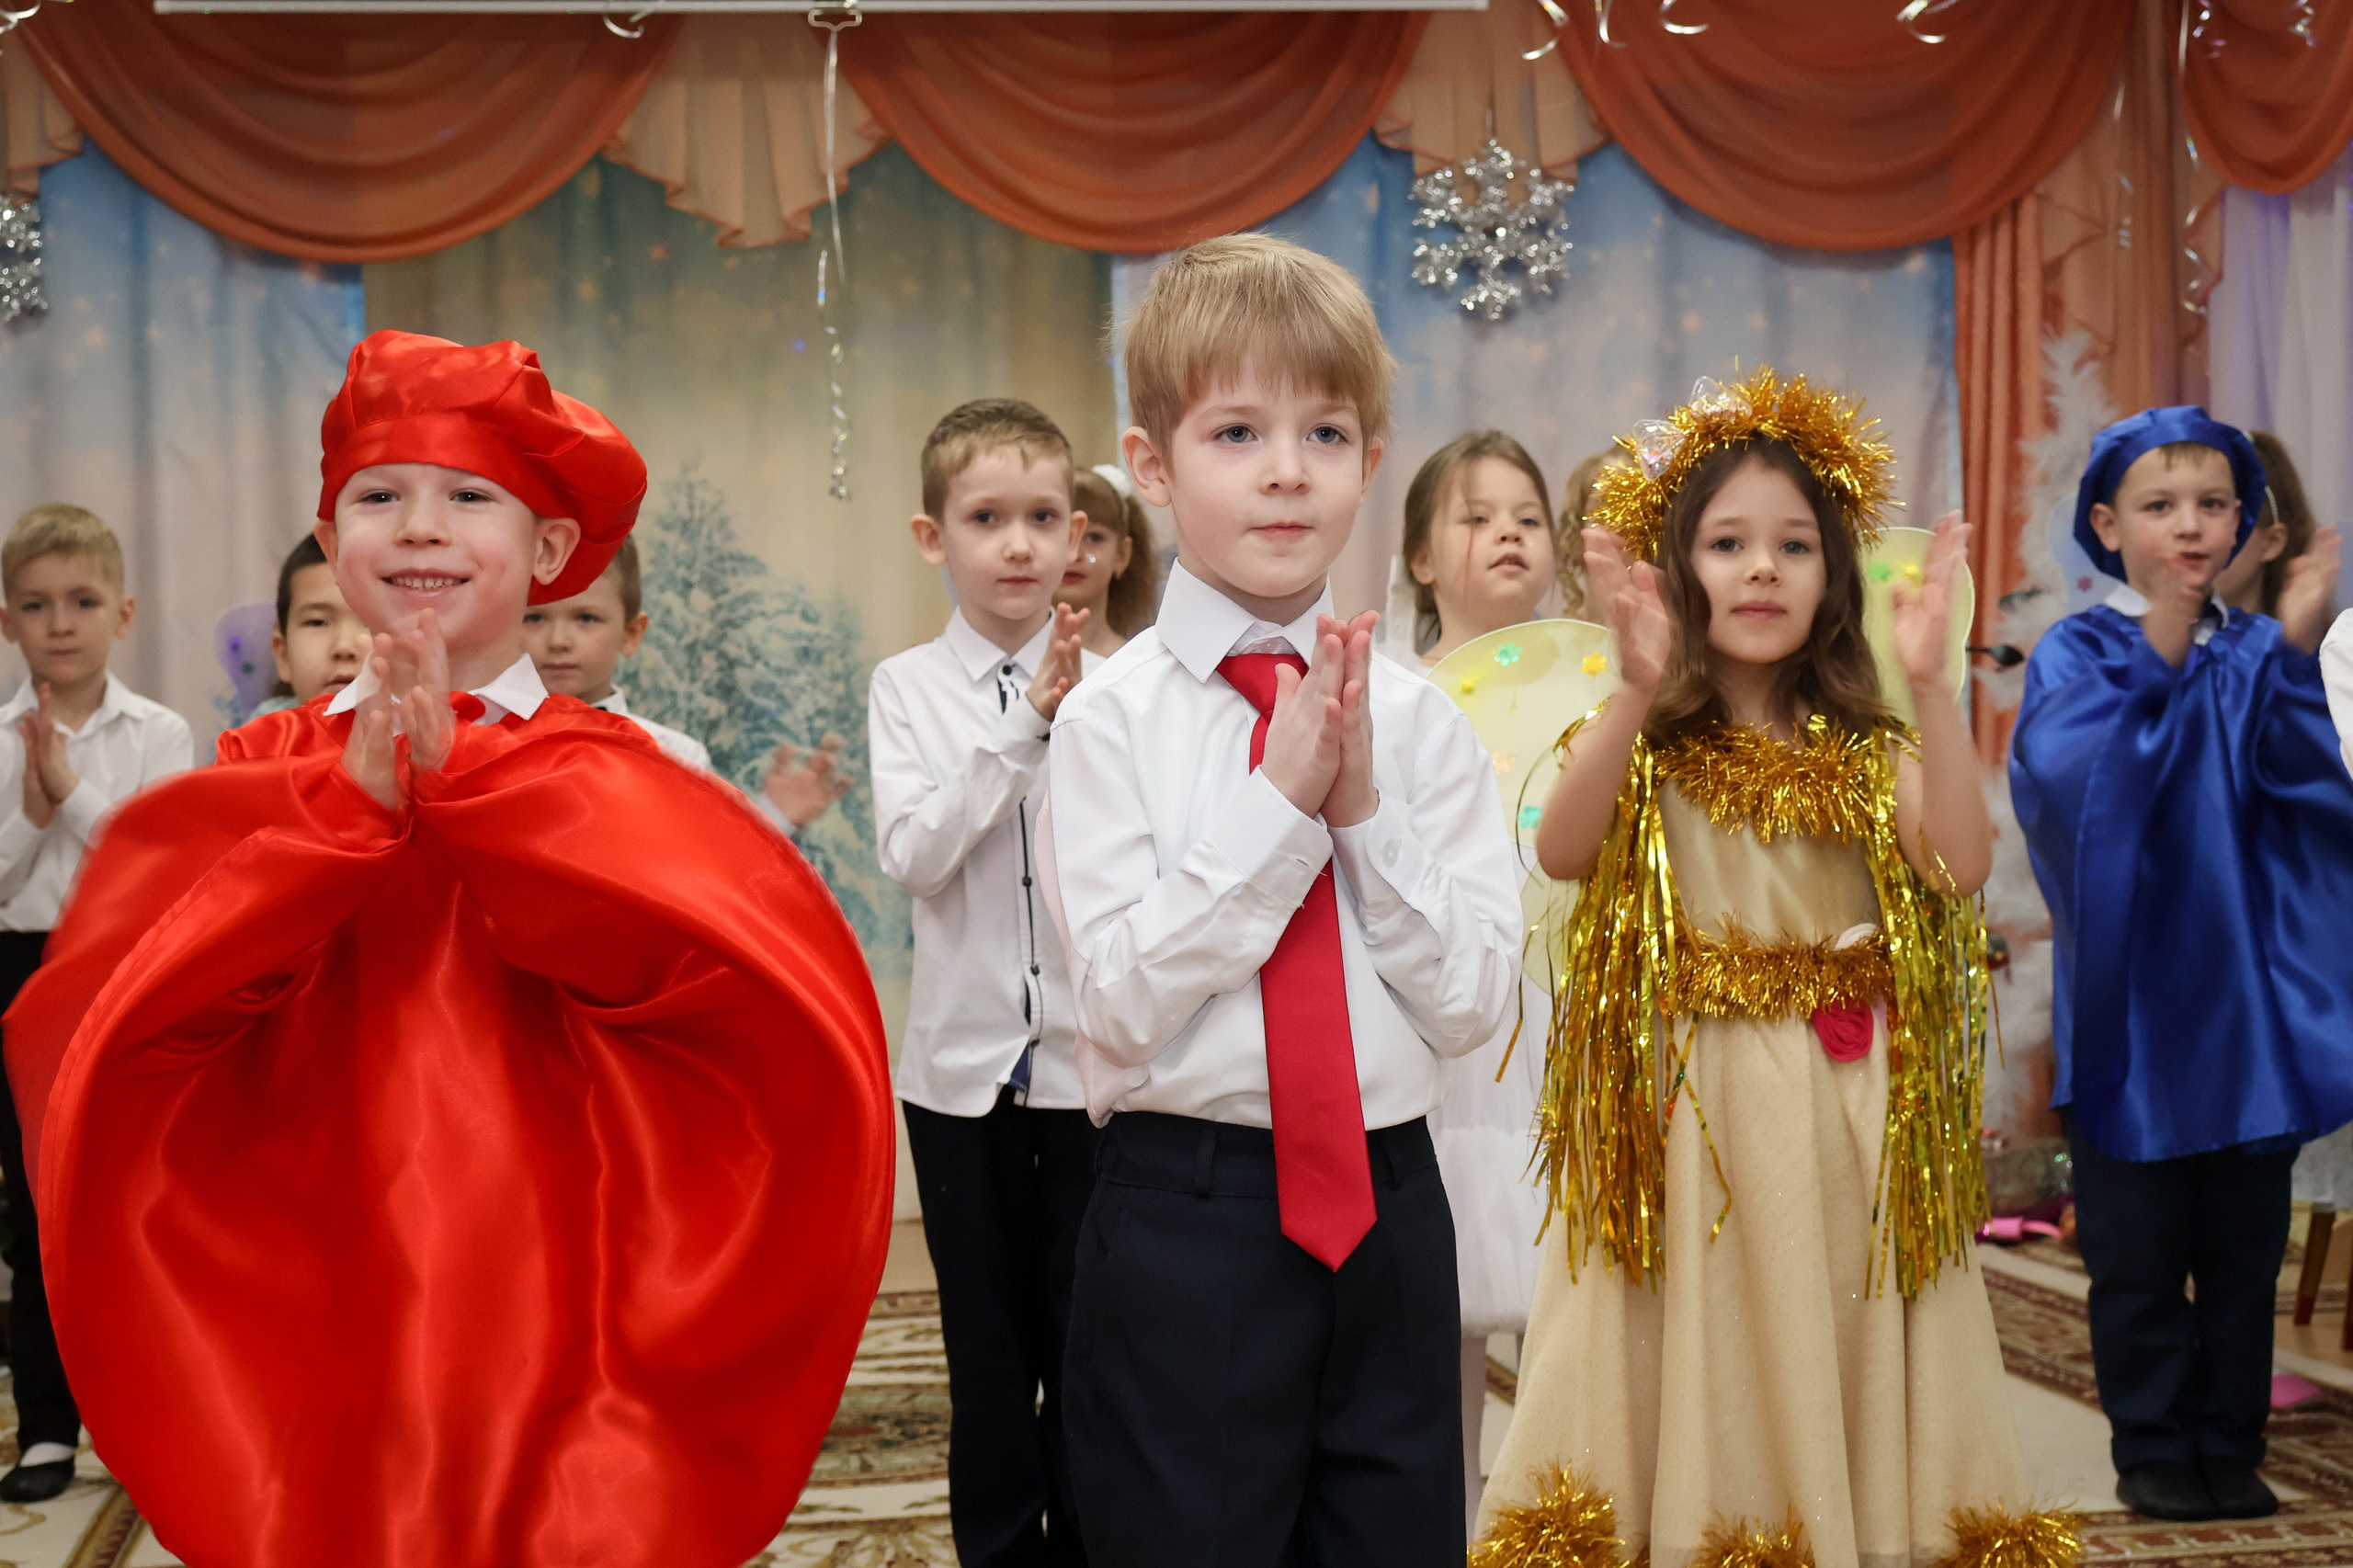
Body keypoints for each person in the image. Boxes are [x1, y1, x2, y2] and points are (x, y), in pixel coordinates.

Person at [1, 331, 893, 1568]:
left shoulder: (620, 772)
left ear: (546, 551)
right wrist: (335, 827)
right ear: (331, 537)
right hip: (323, 1243)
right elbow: (146, 1014)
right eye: (380, 496)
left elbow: (705, 993)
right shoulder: (266, 767)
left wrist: (494, 814)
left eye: (467, 495)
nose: (419, 526)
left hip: (561, 1254)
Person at [1483, 369, 2067, 1568]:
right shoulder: (1651, 734)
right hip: (1691, 1116)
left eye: (1794, 545)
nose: (1761, 569)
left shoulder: (1868, 746)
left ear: (1834, 576)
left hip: (1843, 1115)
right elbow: (1562, 846)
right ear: (1676, 572)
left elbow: (1958, 862)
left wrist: (1942, 693)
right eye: (1728, 541)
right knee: (1708, 1341)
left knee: (1831, 1322)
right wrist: (1637, 688)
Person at [1040, 233, 1526, 1566]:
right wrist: (1279, 802)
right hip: (1191, 1218)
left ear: (1371, 462)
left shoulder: (1426, 726)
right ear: (1151, 466)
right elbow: (1122, 1002)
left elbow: (1477, 1001)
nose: (1283, 470)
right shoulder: (1107, 725)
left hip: (1391, 1206)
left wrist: (1359, 814)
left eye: (1323, 432)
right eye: (1236, 429)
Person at [2010, 407, 2353, 1525]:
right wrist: (2160, 649)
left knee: (2243, 1256)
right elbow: (2078, 793)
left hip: (2243, 1016)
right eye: (2161, 506)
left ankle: (2227, 1438)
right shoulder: (2080, 649)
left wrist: (2294, 651)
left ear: (2248, 524)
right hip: (2132, 1020)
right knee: (2138, 1254)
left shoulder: (2255, 653)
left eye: (2213, 505)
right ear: (2107, 525)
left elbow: (2305, 797)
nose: (2190, 527)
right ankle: (2153, 1443)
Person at [868, 397, 1098, 1568]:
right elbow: (914, 852)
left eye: (1042, 516)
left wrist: (1068, 709)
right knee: (992, 1355)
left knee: (1091, 1349)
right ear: (933, 537)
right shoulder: (907, 690)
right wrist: (1023, 729)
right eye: (986, 517)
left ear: (1078, 536)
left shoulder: (1122, 688)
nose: (1017, 543)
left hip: (1092, 1076)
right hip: (959, 1079)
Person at [0, 504, 192, 1503]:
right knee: (34, 1211)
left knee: (127, 1205)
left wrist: (68, 790)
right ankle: (44, 1429)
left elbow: (160, 866)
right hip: (20, 969)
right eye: (35, 604)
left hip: (124, 969)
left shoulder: (161, 731)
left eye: (81, 601)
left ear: (122, 611)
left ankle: (147, 1419)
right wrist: (30, 813)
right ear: (7, 621)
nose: (60, 622)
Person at [1398, 429, 1558, 1526]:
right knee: (1425, 1339)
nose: (1506, 532)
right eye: (1474, 515)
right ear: (1417, 556)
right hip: (1439, 1052)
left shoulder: (1603, 706)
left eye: (1526, 516)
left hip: (1566, 1041)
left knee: (1571, 1330)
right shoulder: (1393, 707)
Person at [521, 538, 850, 835]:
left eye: (586, 618)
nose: (558, 641)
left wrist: (777, 815)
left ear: (631, 634)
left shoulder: (675, 756)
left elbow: (715, 866)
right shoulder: (482, 742)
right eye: (533, 618)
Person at [250, 532, 369, 718]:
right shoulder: (262, 738)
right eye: (317, 622)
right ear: (283, 654)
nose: (344, 647)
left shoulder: (424, 737)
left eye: (372, 622)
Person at [2211, 430, 2320, 619]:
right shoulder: (2148, 643)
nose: (2191, 527)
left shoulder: (2328, 645)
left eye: (2213, 506)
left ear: (2271, 542)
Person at [1055, 463, 1161, 659]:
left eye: (1094, 538)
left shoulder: (1138, 666)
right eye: (1063, 536)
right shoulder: (1007, 662)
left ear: (1123, 554)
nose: (1075, 554)